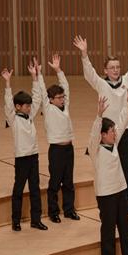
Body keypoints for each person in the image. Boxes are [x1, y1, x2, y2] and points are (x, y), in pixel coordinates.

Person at [75, 27, 128, 213]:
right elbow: (89, 73)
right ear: (105, 70)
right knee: (109, 166)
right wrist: (84, 54)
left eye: (117, 67)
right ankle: (111, 200)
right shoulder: (101, 84)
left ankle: (126, 201)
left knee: (126, 166)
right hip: (107, 133)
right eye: (112, 67)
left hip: (125, 128)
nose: (115, 70)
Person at [89, 88, 128, 255]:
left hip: (121, 190)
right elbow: (94, 134)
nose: (115, 133)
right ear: (103, 135)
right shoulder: (95, 149)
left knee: (125, 225)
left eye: (114, 131)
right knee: (108, 228)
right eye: (111, 131)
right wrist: (99, 116)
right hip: (106, 194)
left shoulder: (114, 144)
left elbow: (123, 120)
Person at [3, 61, 46, 231]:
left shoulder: (30, 116)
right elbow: (8, 104)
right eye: (27, 106)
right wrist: (8, 83)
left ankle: (36, 219)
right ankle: (16, 220)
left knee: (35, 189)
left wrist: (34, 77)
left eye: (29, 106)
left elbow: (37, 98)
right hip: (21, 158)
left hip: (33, 156)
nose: (30, 108)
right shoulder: (13, 119)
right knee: (19, 189)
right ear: (18, 107)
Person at [37, 54, 79, 223]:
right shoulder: (48, 109)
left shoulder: (65, 106)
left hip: (69, 148)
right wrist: (38, 74)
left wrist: (58, 70)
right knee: (55, 182)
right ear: (51, 100)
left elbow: (65, 86)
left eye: (63, 97)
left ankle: (69, 210)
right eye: (59, 98)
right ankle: (53, 211)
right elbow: (42, 91)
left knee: (68, 181)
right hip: (56, 150)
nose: (62, 99)